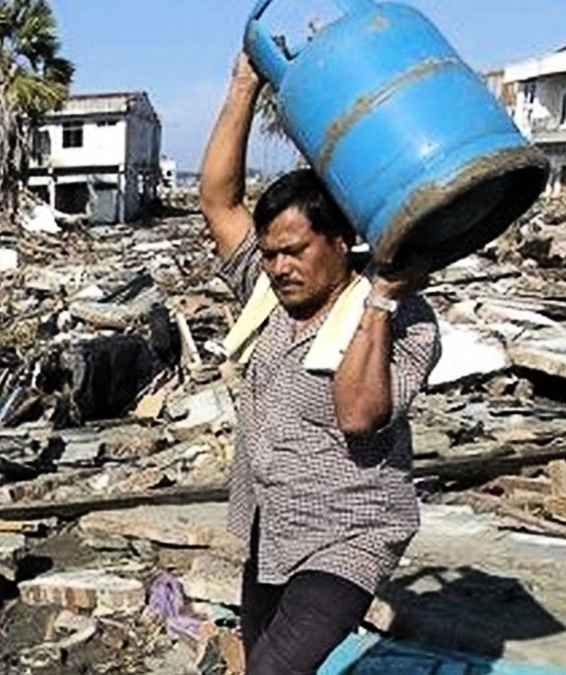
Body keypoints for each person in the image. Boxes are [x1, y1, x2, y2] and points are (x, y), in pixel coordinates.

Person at [199, 53, 442, 674]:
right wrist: (243, 85)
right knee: (262, 657)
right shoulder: (266, 294)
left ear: (340, 242)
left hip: (350, 533)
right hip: (272, 526)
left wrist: (383, 299)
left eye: (295, 251)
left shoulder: (402, 318)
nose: (279, 266)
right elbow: (218, 200)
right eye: (271, 253)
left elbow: (361, 416)